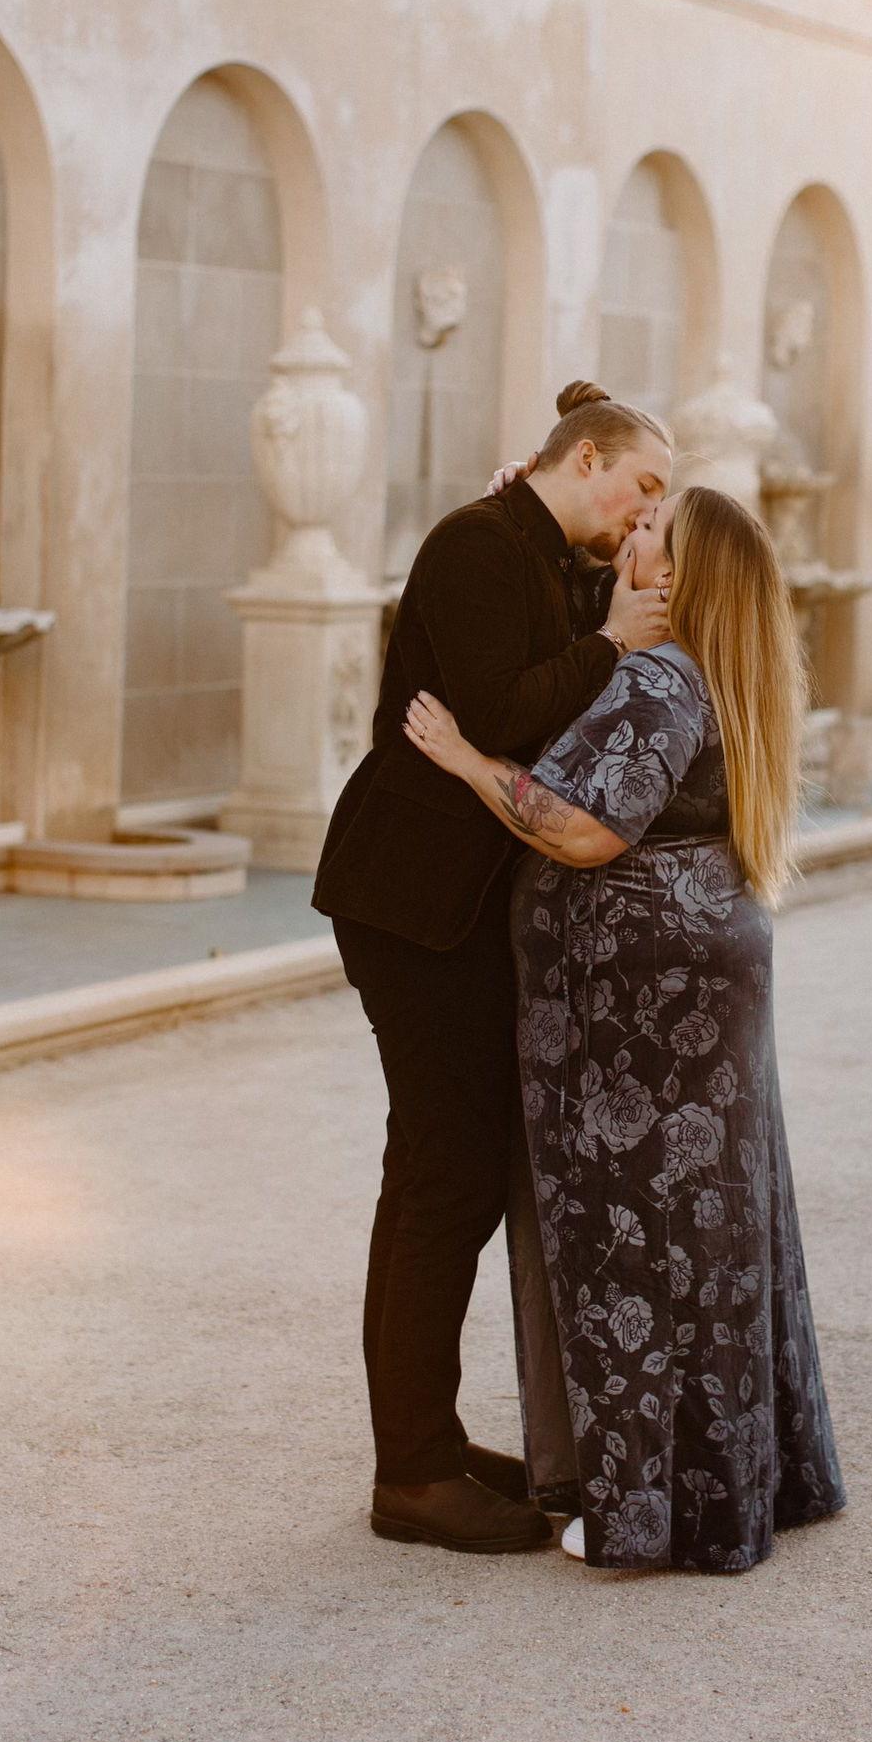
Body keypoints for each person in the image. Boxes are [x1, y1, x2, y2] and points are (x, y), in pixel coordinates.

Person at [403, 481, 847, 1573]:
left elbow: (588, 829)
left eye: (648, 531)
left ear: (678, 574)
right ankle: (743, 1477)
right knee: (715, 1217)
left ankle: (651, 1505)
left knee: (633, 1236)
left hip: (636, 1005)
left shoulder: (655, 676)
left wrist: (464, 758)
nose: (628, 537)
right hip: (703, 968)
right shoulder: (725, 668)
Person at [313, 381, 674, 1554]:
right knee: (448, 1175)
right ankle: (412, 1473)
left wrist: (606, 617)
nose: (645, 514)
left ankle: (420, 1437)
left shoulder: (532, 546)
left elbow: (547, 668)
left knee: (432, 1169)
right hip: (412, 903)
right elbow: (499, 712)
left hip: (450, 907)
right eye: (644, 486)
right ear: (586, 462)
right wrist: (614, 643)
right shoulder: (476, 543)